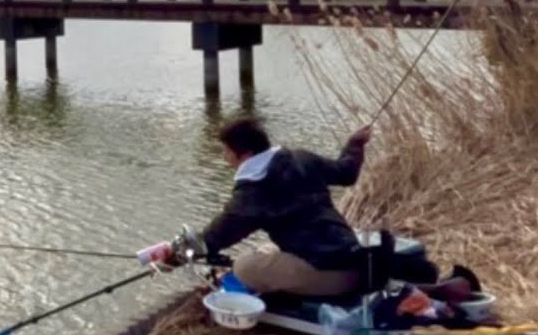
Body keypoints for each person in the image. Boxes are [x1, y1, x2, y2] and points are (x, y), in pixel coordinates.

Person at [139, 117, 373, 297]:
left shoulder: (254, 190)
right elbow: (346, 173)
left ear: (246, 154)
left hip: (333, 278)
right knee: (268, 248)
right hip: (356, 260)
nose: (224, 157)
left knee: (244, 266)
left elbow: (213, 239)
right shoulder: (301, 157)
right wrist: (355, 143)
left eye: (227, 151)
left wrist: (173, 259)